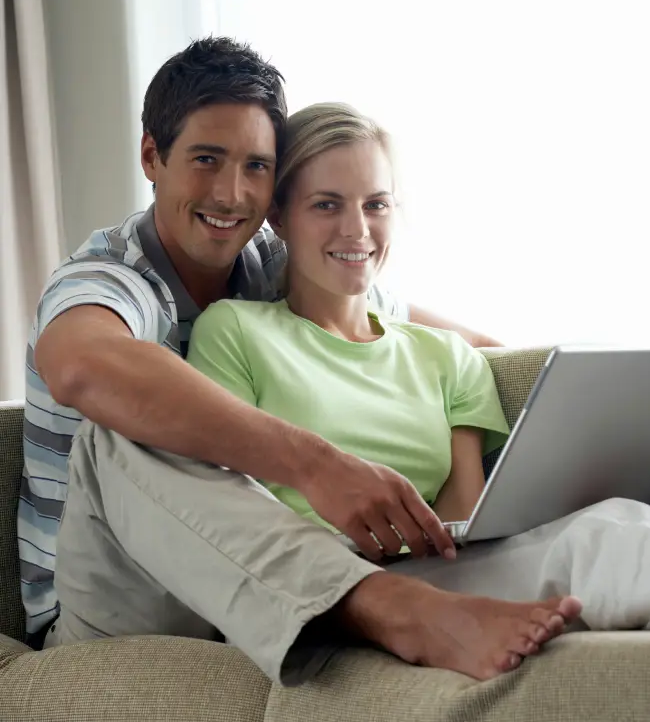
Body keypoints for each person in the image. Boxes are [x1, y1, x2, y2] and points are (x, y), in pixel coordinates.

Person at [21, 35, 553, 685]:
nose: (232, 193)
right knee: (118, 433)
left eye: (256, 166)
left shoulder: (268, 263)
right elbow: (80, 366)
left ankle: (385, 594)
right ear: (152, 157)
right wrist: (316, 465)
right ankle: (389, 608)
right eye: (207, 160)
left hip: (244, 583)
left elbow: (453, 342)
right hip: (115, 595)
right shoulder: (112, 275)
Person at [185, 101, 650, 675]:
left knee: (615, 520)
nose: (357, 230)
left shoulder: (446, 356)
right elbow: (219, 506)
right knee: (603, 538)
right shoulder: (235, 332)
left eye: (375, 205)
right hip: (319, 590)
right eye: (327, 205)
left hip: (439, 572)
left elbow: (464, 520)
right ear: (279, 216)